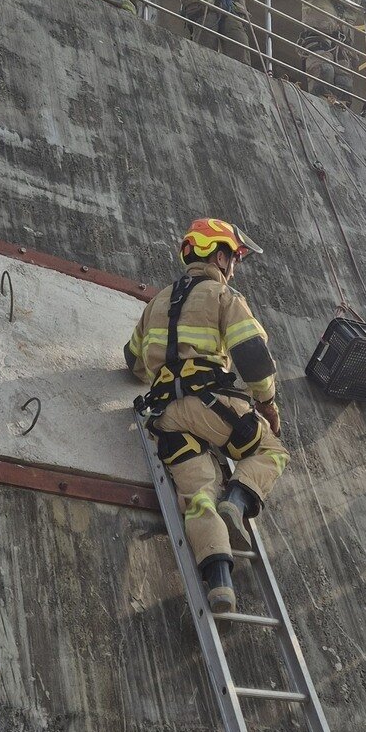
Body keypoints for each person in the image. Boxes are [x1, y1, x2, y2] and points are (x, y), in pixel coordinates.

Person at [127, 218, 288, 615]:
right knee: (271, 451)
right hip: (212, 406)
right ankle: (236, 499)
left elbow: (132, 361)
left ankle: (220, 583)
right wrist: (268, 406)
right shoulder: (223, 296)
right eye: (232, 257)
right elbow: (253, 357)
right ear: (218, 255)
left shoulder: (157, 302)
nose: (233, 266)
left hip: (166, 416)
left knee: (199, 497)